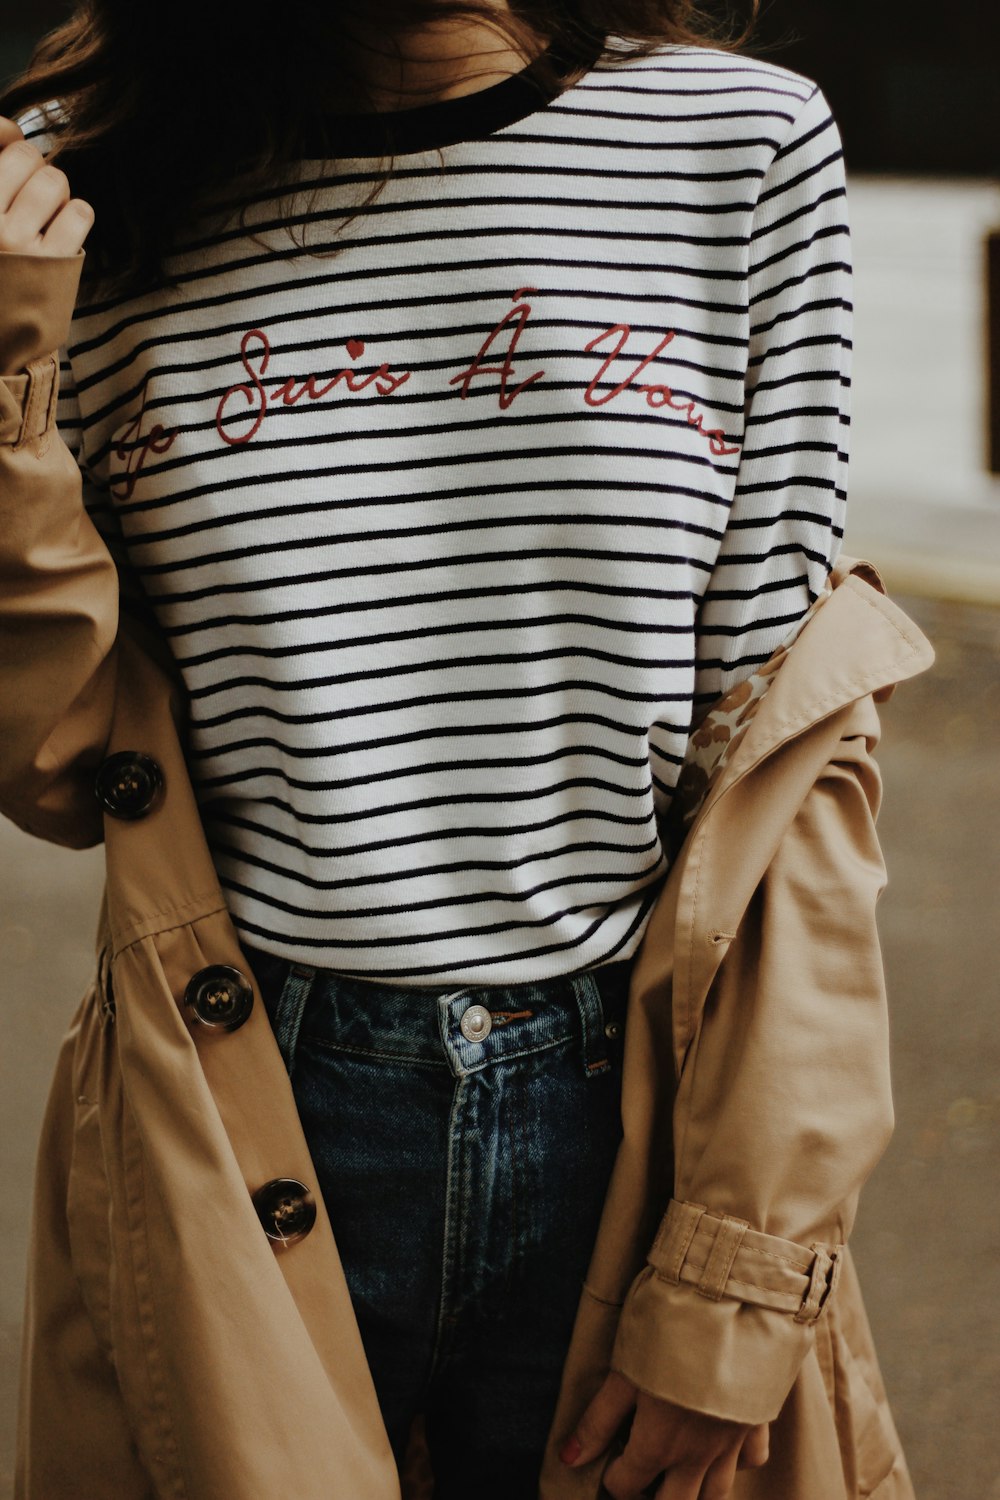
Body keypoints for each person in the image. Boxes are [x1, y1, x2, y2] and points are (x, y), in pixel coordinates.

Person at [0, 3, 909, 1497]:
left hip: (629, 1110)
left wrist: (744, 1264)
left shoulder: (734, 147)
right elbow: (55, 763)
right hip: (239, 1094)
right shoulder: (83, 194)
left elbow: (791, 758)